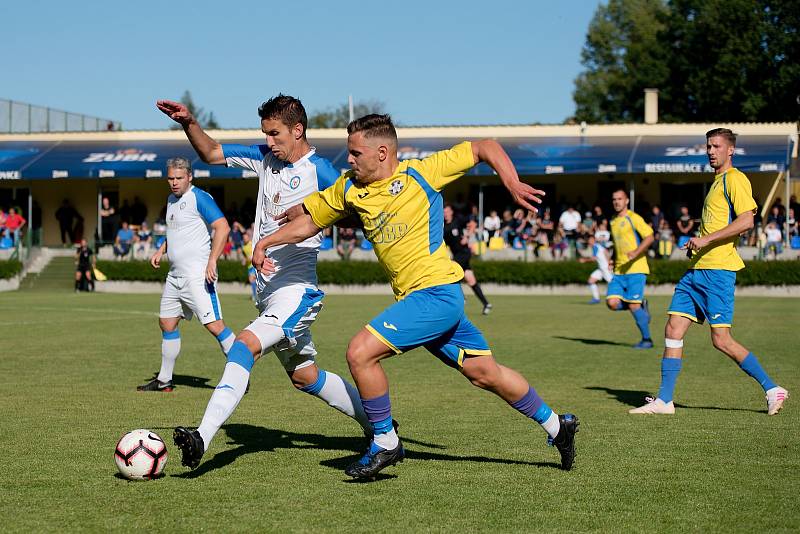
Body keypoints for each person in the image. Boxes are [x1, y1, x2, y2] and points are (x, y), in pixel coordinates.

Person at [255, 114, 579, 479]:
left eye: (354, 153)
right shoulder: (349, 188)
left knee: (359, 353)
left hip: (436, 293)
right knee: (485, 373)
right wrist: (266, 241)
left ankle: (385, 441)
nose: (348, 160)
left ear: (381, 152)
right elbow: (312, 220)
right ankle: (558, 426)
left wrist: (512, 182)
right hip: (426, 303)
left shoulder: (422, 172)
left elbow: (485, 146)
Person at [157, 95, 371, 469]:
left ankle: (201, 437)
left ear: (297, 130)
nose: (269, 142)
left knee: (243, 346)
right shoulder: (264, 158)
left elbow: (359, 209)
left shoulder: (320, 171)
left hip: (297, 291)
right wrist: (189, 122)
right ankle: (380, 426)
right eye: (265, 134)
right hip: (267, 294)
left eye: (275, 134)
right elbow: (210, 152)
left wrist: (311, 215)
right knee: (306, 377)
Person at [630, 128, 789, 416]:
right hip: (697, 270)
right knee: (673, 327)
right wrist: (697, 245)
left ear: (730, 150)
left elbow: (746, 222)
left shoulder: (735, 179)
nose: (711, 151)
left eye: (716, 146)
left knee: (721, 340)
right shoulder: (716, 183)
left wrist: (705, 239)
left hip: (718, 271)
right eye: (708, 146)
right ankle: (665, 400)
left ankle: (771, 388)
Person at [136, 156, 236, 393]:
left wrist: (213, 260)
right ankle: (164, 380)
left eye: (179, 178)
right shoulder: (171, 200)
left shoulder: (199, 197)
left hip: (197, 277)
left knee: (215, 326)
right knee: (167, 323)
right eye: (170, 178)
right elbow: (175, 232)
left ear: (189, 177)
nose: (173, 182)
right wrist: (161, 250)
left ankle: (239, 375)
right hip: (174, 276)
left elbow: (222, 227)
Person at [606, 189, 655, 349]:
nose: (616, 202)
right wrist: (612, 259)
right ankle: (641, 307)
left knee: (633, 305)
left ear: (626, 201)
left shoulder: (633, 218)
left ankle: (647, 340)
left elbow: (650, 237)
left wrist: (636, 252)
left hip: (636, 269)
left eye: (620, 199)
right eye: (614, 199)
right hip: (619, 271)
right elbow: (617, 243)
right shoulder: (613, 220)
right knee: (612, 303)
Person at [444, 204, 492, 315]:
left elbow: (473, 223)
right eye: (444, 212)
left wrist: (467, 236)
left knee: (452, 271)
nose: (445, 214)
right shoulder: (444, 228)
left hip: (464, 253)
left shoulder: (458, 220)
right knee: (471, 280)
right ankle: (486, 304)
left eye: (447, 212)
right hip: (457, 255)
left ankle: (462, 298)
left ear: (451, 212)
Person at [579, 235, 612, 304]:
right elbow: (606, 252)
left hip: (605, 268)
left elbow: (594, 258)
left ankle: (621, 297)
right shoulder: (598, 246)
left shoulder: (595, 246)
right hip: (601, 269)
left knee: (612, 283)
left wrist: (584, 260)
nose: (589, 241)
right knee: (591, 281)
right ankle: (596, 299)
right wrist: (609, 262)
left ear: (594, 240)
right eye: (589, 240)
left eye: (591, 240)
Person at [241, 230, 257, 301]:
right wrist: (244, 260)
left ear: (248, 237)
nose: (245, 239)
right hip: (249, 266)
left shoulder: (252, 244)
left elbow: (256, 252)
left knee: (252, 280)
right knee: (253, 281)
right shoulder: (243, 247)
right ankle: (255, 295)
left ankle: (254, 296)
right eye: (243, 238)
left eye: (246, 237)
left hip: (254, 265)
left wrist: (252, 257)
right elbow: (245, 256)